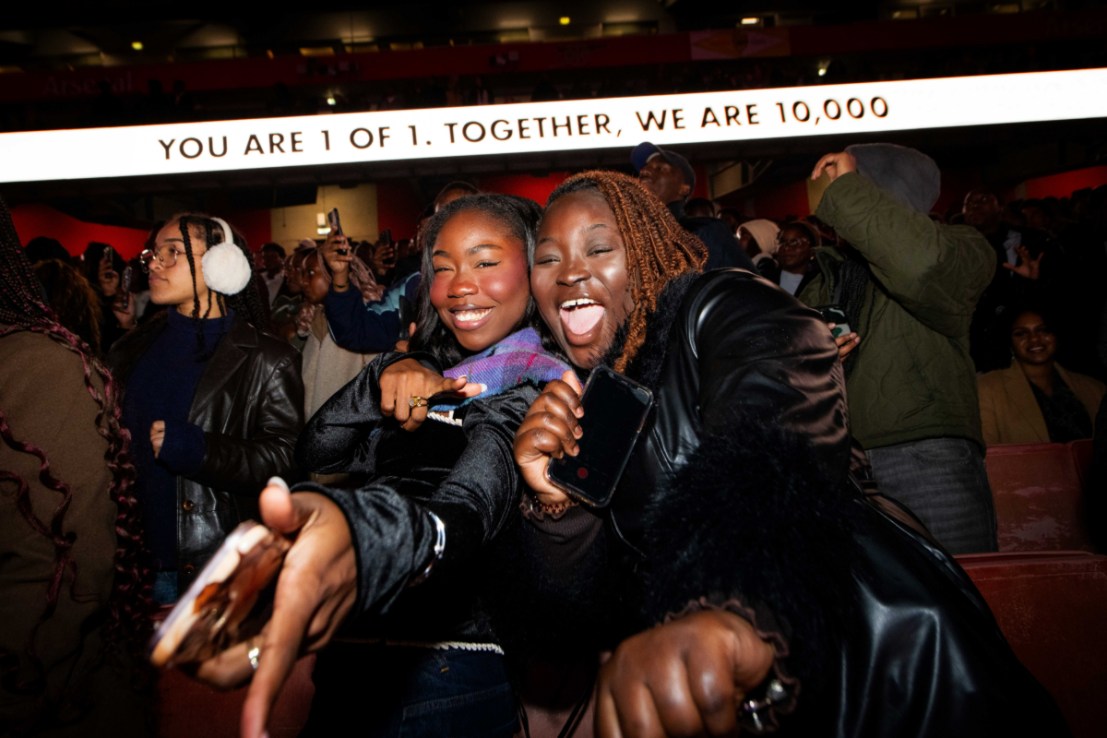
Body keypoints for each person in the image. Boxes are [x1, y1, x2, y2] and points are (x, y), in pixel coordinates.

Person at [511, 170, 1064, 736]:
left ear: (650, 250)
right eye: (548, 259)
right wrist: (558, 508)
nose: (571, 272)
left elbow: (773, 439)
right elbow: (578, 619)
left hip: (876, 676)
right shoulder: (598, 398)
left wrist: (727, 607)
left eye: (599, 248)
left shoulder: (721, 302)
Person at [193, 194, 570, 737]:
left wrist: (363, 537)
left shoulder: (538, 386)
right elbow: (317, 452)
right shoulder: (438, 367)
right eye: (443, 269)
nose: (460, 284)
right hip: (355, 658)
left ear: (533, 270)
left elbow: (470, 505)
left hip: (448, 666)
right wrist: (383, 378)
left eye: (486, 262)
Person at [1, 197, 153, 736]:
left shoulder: (45, 370)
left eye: (174, 252)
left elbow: (61, 577)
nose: (156, 263)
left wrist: (189, 447)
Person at [800, 144, 998, 554]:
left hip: (926, 454)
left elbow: (920, 265)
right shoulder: (827, 272)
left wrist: (851, 188)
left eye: (852, 184)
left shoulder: (962, 245)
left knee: (956, 596)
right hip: (839, 459)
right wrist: (816, 354)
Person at [108, 213, 303, 603]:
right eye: (153, 254)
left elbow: (284, 459)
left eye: (173, 252)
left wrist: (199, 450)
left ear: (221, 263)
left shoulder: (267, 358)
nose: (154, 263)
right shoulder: (128, 350)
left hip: (215, 568)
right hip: (130, 568)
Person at [978, 307, 1105, 445]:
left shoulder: (1095, 389)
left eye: (1043, 330)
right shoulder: (988, 389)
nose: (1034, 339)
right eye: (1021, 334)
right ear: (1009, 343)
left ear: (1056, 334)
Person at [630, 141, 754, 271]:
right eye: (644, 169)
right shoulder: (631, 235)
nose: (644, 171)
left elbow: (746, 287)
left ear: (684, 189)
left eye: (660, 168)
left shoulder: (704, 232)